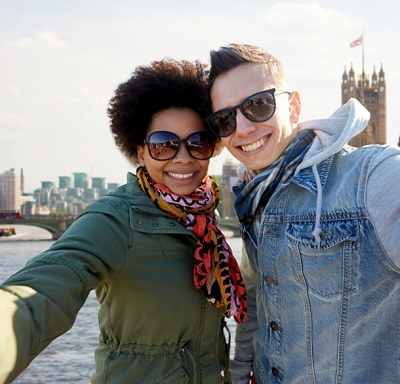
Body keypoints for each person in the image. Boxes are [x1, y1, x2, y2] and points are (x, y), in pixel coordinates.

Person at [0, 58, 247, 384]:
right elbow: (42, 291)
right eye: (163, 145)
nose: (183, 157)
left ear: (212, 149)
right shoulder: (115, 219)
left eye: (197, 142)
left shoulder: (203, 222)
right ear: (140, 152)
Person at [206, 43, 400, 384]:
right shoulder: (252, 198)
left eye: (258, 105)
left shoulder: (372, 175)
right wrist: (238, 372)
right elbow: (256, 300)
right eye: (225, 119)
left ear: (293, 106)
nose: (243, 128)